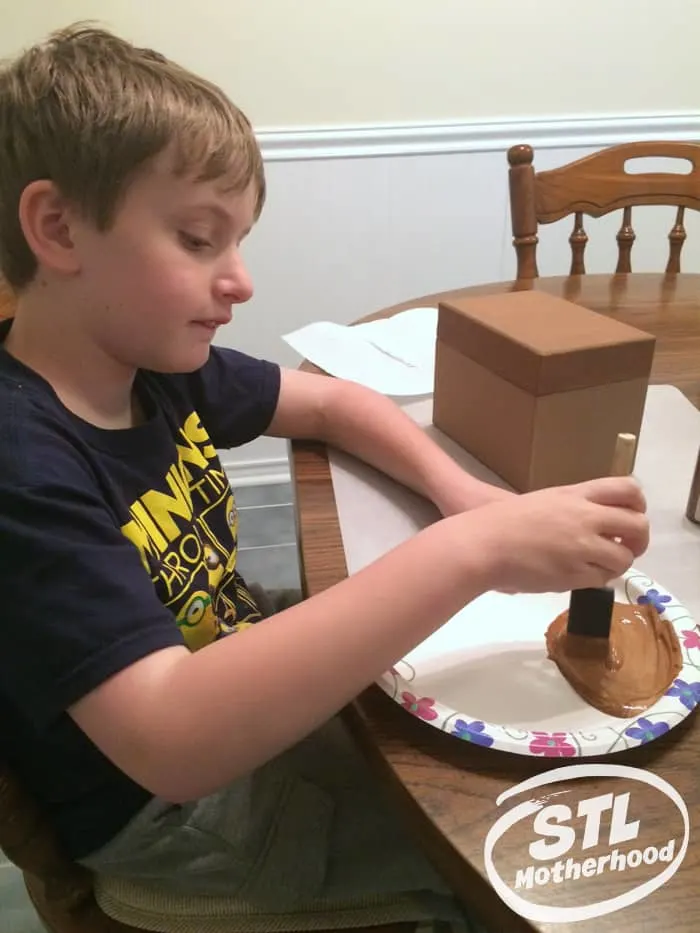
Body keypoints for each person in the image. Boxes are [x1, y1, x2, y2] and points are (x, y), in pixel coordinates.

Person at [0, 23, 649, 933]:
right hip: (181, 823)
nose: (241, 281)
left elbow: (333, 405)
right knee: (529, 861)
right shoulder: (22, 465)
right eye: (198, 238)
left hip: (234, 666)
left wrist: (455, 493)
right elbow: (173, 740)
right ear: (59, 227)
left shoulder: (148, 364)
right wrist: (470, 551)